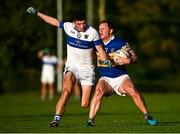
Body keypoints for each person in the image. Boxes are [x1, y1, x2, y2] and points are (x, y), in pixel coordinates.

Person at [26, 7, 112, 127]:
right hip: (72, 67)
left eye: (84, 23)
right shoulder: (68, 27)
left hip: (87, 70)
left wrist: (106, 61)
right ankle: (56, 120)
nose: (82, 26)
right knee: (66, 91)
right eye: (79, 23)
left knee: (84, 104)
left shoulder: (93, 32)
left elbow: (100, 50)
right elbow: (53, 21)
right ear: (74, 22)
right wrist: (37, 13)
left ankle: (105, 92)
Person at [86, 20, 158, 127]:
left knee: (132, 90)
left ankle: (147, 116)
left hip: (121, 77)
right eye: (99, 29)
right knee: (98, 91)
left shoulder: (120, 43)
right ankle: (90, 121)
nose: (100, 31)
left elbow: (135, 57)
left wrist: (129, 60)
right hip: (105, 78)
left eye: (103, 29)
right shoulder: (96, 43)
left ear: (110, 31)